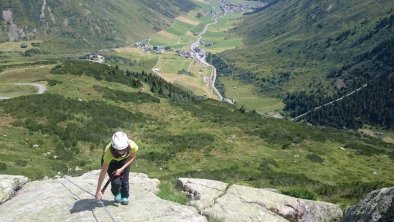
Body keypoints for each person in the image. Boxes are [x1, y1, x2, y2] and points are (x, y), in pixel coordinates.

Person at [95, 131, 138, 205]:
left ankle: (125, 196)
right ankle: (117, 193)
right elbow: (103, 172)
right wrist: (98, 190)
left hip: (124, 161)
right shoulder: (108, 153)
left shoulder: (133, 146)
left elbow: (132, 157)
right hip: (112, 162)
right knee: (116, 182)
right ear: (114, 148)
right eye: (118, 151)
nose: (121, 152)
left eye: (123, 150)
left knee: (125, 180)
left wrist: (122, 169)